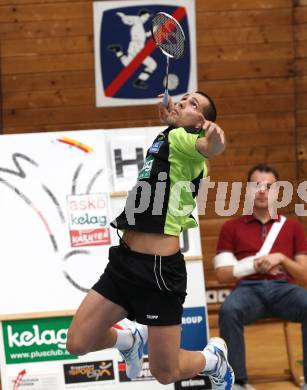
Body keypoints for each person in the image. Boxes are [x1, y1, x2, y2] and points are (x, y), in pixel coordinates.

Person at [66, 91, 234, 389]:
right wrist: (172, 119)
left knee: (164, 373)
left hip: (159, 273)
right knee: (78, 343)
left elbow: (211, 147)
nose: (183, 102)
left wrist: (215, 138)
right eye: (184, 98)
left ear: (201, 121)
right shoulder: (170, 137)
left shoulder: (186, 140)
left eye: (194, 104)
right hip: (125, 261)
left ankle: (213, 360)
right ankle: (128, 339)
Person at [214, 163, 307, 390]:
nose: (263, 191)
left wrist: (281, 259)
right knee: (229, 310)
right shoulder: (231, 227)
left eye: (269, 186)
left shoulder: (293, 227)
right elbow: (221, 274)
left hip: (285, 289)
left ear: (278, 191)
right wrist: (253, 265)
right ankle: (237, 382)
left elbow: (304, 274)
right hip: (248, 290)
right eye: (257, 185)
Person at [108, 9, 157, 89]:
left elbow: (144, 35)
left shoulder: (140, 26)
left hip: (136, 46)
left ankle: (118, 51)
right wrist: (123, 16)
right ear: (141, 15)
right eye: (145, 16)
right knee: (152, 64)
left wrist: (153, 31)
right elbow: (128, 20)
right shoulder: (137, 20)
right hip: (137, 47)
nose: (146, 19)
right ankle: (139, 81)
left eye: (147, 17)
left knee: (127, 64)